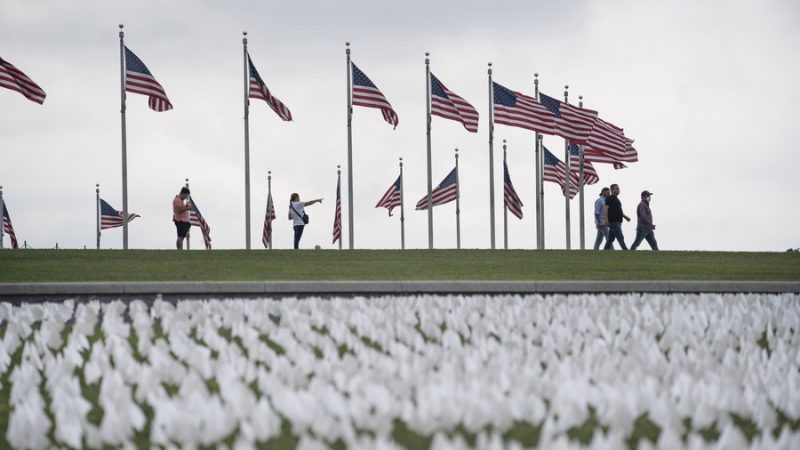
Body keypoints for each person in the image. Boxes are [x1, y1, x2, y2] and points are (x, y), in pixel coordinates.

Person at [603, 183, 631, 250]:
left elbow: (619, 211)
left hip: (618, 221)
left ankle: (605, 250)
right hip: (613, 221)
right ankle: (625, 249)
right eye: (616, 188)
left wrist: (625, 217)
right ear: (612, 190)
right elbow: (605, 208)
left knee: (611, 239)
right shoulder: (609, 198)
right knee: (620, 236)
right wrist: (606, 219)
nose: (618, 190)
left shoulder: (617, 199)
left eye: (618, 188)